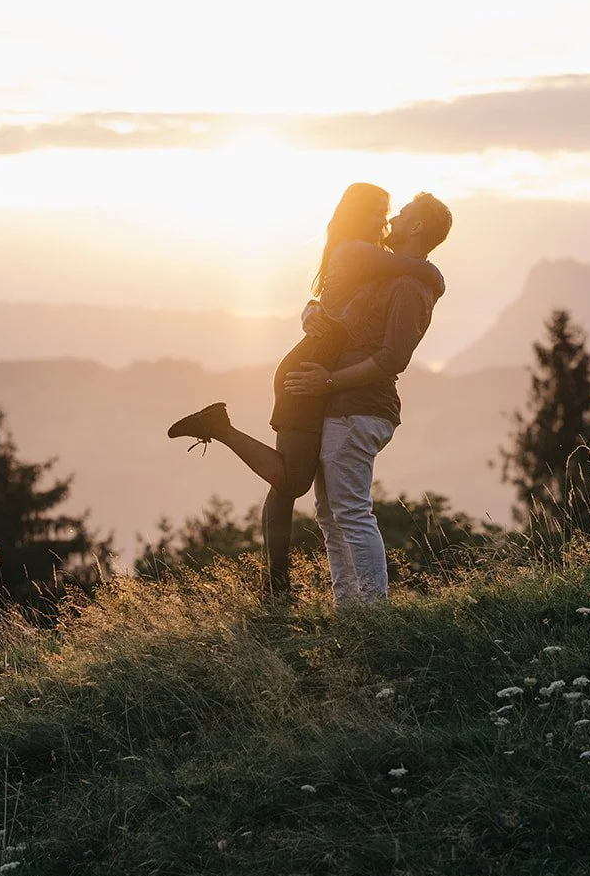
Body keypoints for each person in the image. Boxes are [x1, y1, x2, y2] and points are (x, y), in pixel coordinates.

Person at [166, 184, 445, 596]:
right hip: (308, 373)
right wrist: (434, 273)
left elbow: (348, 314)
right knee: (294, 484)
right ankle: (221, 430)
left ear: (417, 224)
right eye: (380, 212)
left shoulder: (383, 268)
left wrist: (313, 310)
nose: (388, 220)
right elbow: (418, 271)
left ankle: (284, 595)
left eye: (394, 212)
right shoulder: (363, 253)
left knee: (306, 494)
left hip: (320, 378)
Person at [284, 192, 452, 604]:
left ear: (415, 227)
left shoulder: (411, 285)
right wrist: (313, 312)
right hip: (342, 407)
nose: (392, 219)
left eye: (403, 214)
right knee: (331, 515)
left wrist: (327, 383)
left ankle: (373, 614)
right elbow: (342, 311)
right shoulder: (388, 274)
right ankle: (349, 610)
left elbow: (393, 358)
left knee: (352, 513)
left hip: (360, 410)